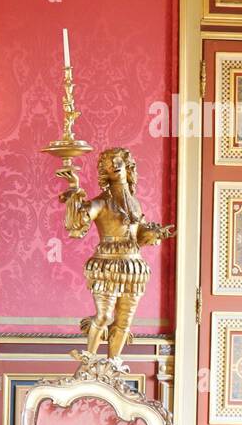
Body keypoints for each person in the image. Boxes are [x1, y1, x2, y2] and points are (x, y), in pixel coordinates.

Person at [60, 148, 175, 362]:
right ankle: (89, 363)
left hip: (133, 267)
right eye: (108, 163)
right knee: (104, 316)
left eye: (118, 160)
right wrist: (74, 188)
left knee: (124, 322)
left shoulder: (135, 203)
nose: (115, 164)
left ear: (127, 164)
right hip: (106, 266)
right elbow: (79, 224)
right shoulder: (102, 202)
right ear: (104, 171)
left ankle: (113, 367)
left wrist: (153, 233)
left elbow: (138, 235)